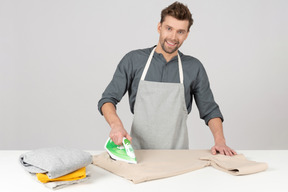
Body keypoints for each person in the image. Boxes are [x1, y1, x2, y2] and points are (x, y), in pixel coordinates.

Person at [98, 2, 237, 156]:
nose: (173, 37)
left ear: (187, 34)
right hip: (138, 154)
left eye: (180, 32)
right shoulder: (133, 60)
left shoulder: (194, 67)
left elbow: (210, 110)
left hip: (178, 157)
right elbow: (107, 99)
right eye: (169, 28)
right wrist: (116, 125)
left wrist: (220, 141)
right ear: (159, 27)